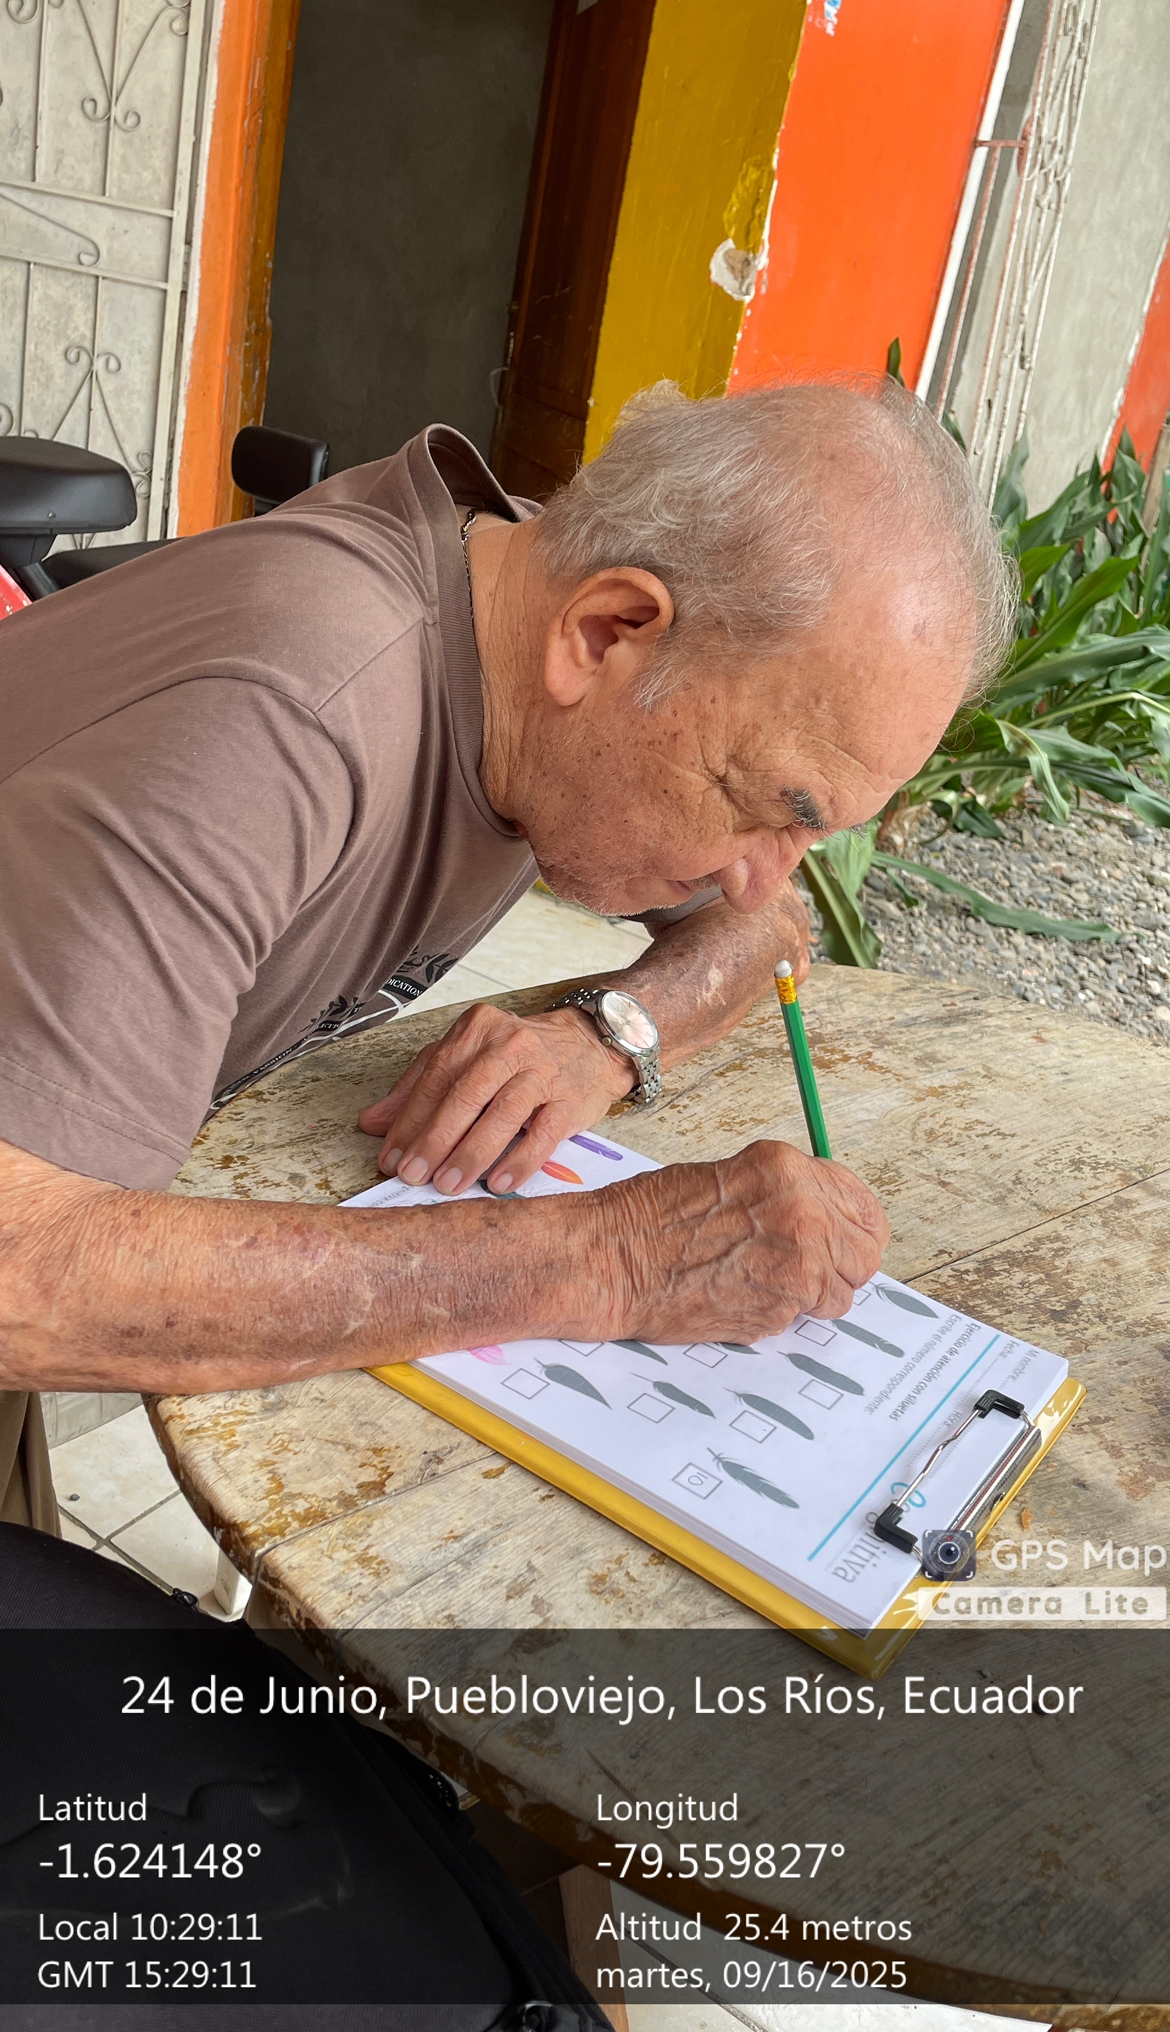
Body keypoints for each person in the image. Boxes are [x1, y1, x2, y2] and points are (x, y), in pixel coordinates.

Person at [0, 379, 1016, 1532]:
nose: (759, 874)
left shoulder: (535, 599)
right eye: (765, 806)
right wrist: (605, 1261)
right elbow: (21, 1267)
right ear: (606, 633)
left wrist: (610, 1036)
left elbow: (765, 930)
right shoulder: (286, 720)